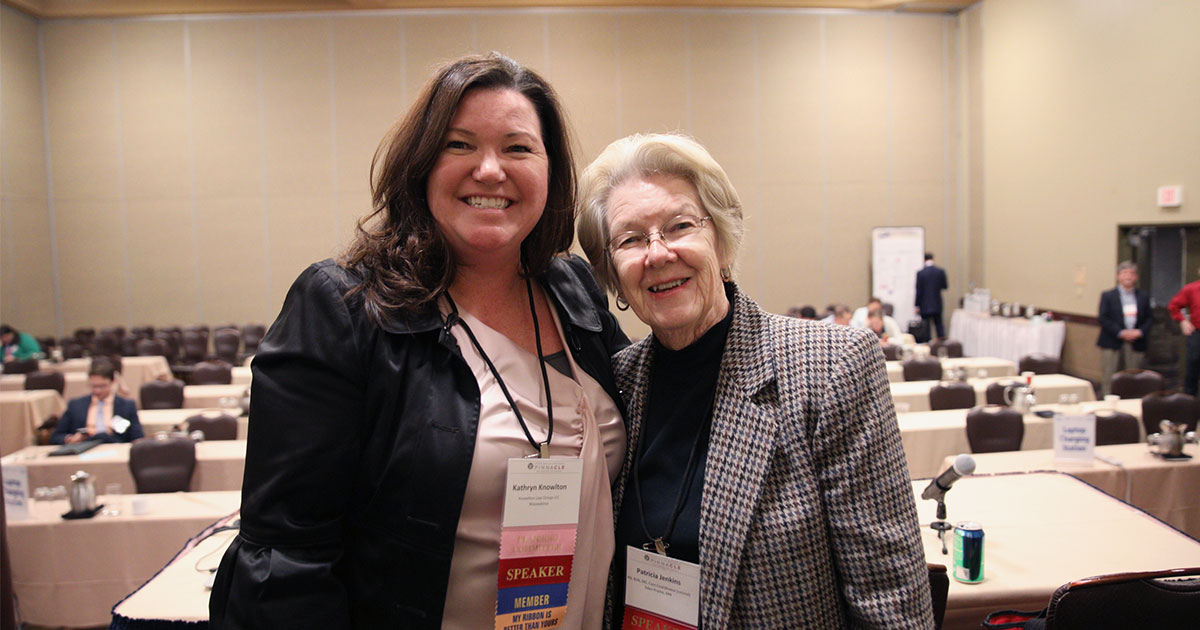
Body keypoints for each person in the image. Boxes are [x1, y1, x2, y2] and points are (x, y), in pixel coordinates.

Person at [210, 53, 628, 629]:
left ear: (551, 170)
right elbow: (285, 559)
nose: (489, 170)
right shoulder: (343, 309)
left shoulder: (574, 291)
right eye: (459, 145)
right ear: (421, 164)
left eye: (518, 148)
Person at [578, 133, 932, 629]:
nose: (657, 254)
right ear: (613, 274)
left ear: (721, 241)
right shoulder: (616, 386)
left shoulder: (829, 368)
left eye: (680, 226)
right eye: (631, 239)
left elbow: (891, 602)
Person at [49, 358, 143, 444]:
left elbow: (137, 437)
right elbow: (56, 437)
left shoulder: (127, 406)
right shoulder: (75, 405)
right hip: (83, 449)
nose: (97, 391)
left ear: (113, 382)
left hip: (114, 447)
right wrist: (70, 439)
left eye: (102, 386)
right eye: (94, 386)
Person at [1097, 261, 1152, 396]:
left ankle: (1130, 401)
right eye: (1124, 273)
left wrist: (1139, 332)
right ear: (1118, 276)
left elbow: (1150, 318)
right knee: (1110, 374)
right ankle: (1108, 401)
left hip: (1136, 340)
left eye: (1132, 273)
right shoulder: (1108, 295)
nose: (1128, 276)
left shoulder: (1143, 296)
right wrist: (1120, 332)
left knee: (1133, 375)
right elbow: (1103, 317)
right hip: (1112, 340)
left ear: (1136, 277)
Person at [1169, 267, 1200, 395]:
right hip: (1197, 333)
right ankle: (1189, 405)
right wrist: (1182, 320)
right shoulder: (1191, 289)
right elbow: (1173, 305)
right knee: (1192, 366)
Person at [914, 252, 948, 340]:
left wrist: (917, 305)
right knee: (939, 326)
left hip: (924, 304)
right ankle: (941, 346)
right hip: (937, 303)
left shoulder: (921, 273)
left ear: (924, 260)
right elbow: (945, 286)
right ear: (933, 259)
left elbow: (918, 291)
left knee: (926, 328)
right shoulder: (940, 271)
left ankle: (928, 346)